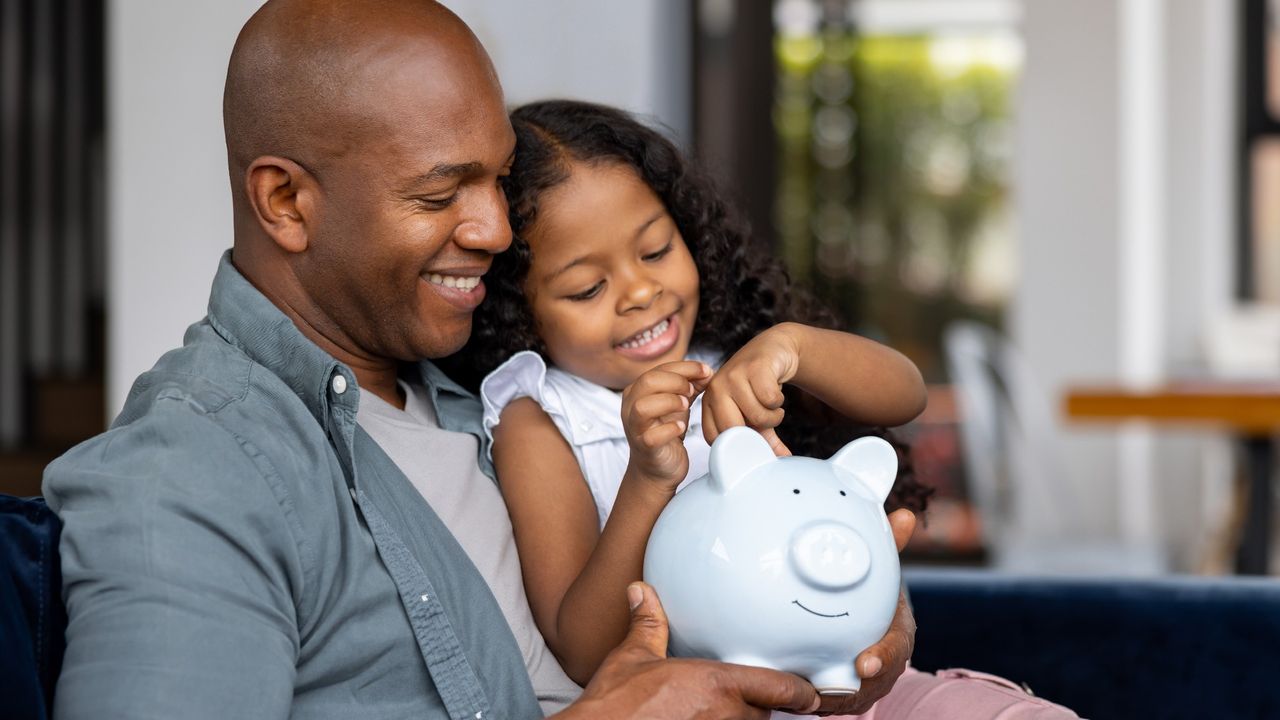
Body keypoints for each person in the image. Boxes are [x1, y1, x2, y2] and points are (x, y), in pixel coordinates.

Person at [40, 1, 906, 718]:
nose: (496, 233)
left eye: (494, 180)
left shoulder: (475, 380)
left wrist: (846, 610)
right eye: (437, 192)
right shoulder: (191, 474)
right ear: (285, 201)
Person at [450, 100, 1079, 720]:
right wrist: (648, 475)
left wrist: (794, 345)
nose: (641, 292)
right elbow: (584, 650)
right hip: (706, 707)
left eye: (656, 251)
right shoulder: (541, 419)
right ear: (518, 310)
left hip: (859, 691)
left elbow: (904, 393)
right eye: (588, 288)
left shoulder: (736, 358)